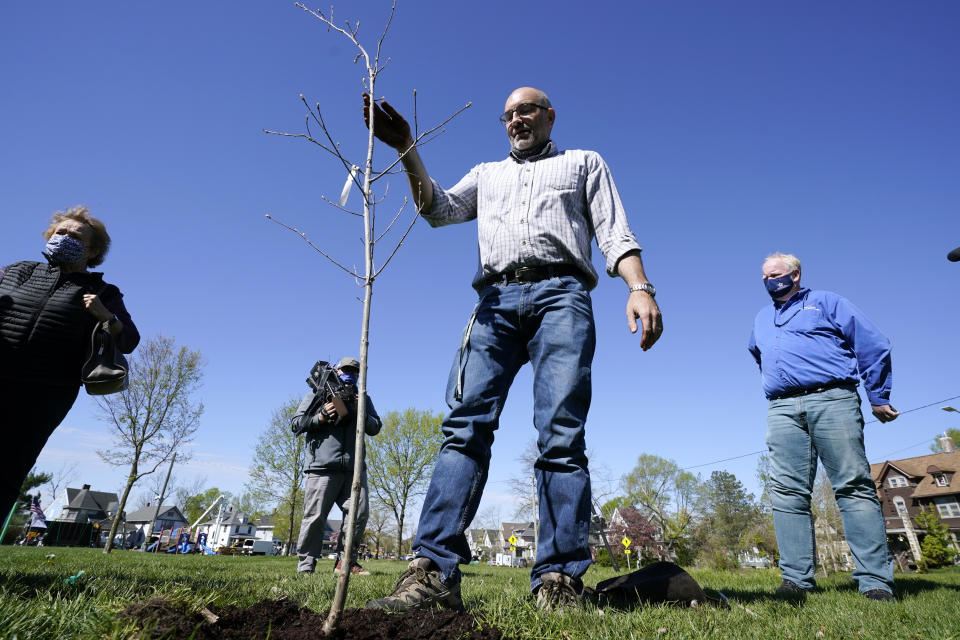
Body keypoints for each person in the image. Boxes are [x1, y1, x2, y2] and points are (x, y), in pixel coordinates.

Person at [361, 87, 663, 612]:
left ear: (550, 115)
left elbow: (615, 232)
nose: (516, 119)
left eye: (526, 110)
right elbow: (437, 209)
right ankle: (431, 572)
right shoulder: (486, 174)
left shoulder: (582, 163)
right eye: (508, 114)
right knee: (464, 427)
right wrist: (406, 147)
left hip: (562, 296)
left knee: (561, 434)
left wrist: (639, 287)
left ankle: (559, 581)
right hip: (495, 301)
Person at [748, 252, 898, 602]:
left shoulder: (827, 303)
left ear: (796, 275)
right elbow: (758, 353)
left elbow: (873, 343)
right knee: (786, 492)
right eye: (764, 276)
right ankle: (796, 581)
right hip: (782, 408)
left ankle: (875, 581)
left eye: (776, 273)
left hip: (832, 399)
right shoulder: (761, 317)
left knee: (853, 484)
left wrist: (877, 395)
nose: (770, 280)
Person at [0, 206, 139, 521]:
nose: (64, 238)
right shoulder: (15, 272)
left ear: (91, 251)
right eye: (60, 232)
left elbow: (129, 340)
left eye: (75, 236)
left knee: (7, 469)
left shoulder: (103, 292)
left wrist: (108, 317)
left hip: (44, 394)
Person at [291, 356, 382, 576]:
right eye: (346, 369)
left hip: (354, 470)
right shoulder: (317, 393)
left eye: (355, 371)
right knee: (315, 518)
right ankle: (306, 566)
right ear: (337, 371)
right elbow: (296, 424)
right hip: (322, 467)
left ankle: (345, 562)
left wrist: (362, 411)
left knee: (359, 515)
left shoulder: (363, 398)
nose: (350, 373)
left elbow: (376, 426)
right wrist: (320, 417)